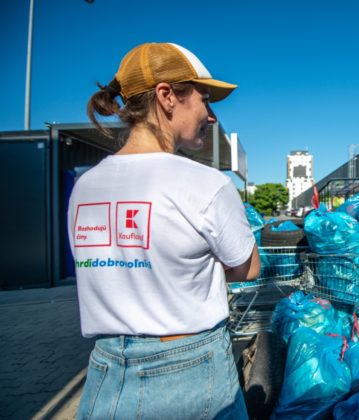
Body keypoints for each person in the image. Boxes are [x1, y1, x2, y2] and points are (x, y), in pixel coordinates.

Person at [67, 42, 260, 419]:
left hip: (105, 369)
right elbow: (247, 268)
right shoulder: (206, 183)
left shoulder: (86, 186)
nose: (211, 116)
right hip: (189, 369)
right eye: (205, 100)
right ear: (167, 96)